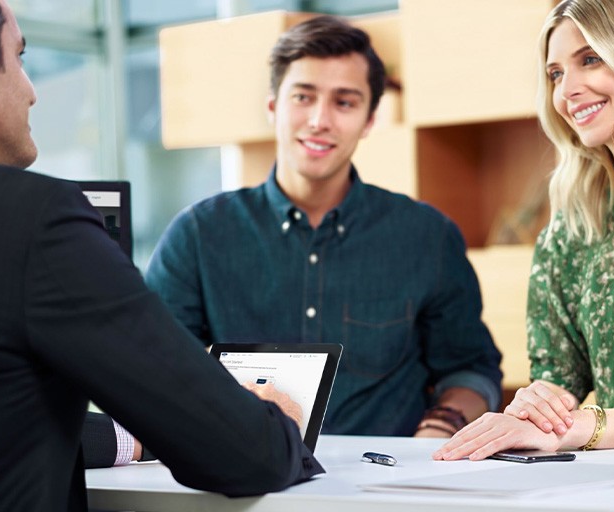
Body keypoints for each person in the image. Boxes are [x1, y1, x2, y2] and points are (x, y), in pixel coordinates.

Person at [0, 0, 323, 509]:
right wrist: (277, 423)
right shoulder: (34, 218)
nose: (32, 93)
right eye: (21, 56)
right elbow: (243, 455)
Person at [144, 15, 503, 441]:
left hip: (386, 490)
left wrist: (441, 425)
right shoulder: (198, 235)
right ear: (273, 107)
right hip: (239, 483)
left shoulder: (428, 236)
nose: (319, 120)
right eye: (303, 97)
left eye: (344, 102)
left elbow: (471, 368)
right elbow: (151, 365)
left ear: (370, 120)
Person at [434, 0, 614, 462]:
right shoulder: (572, 226)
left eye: (590, 59)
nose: (567, 91)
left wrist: (578, 426)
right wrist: (534, 410)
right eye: (556, 73)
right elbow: (558, 378)